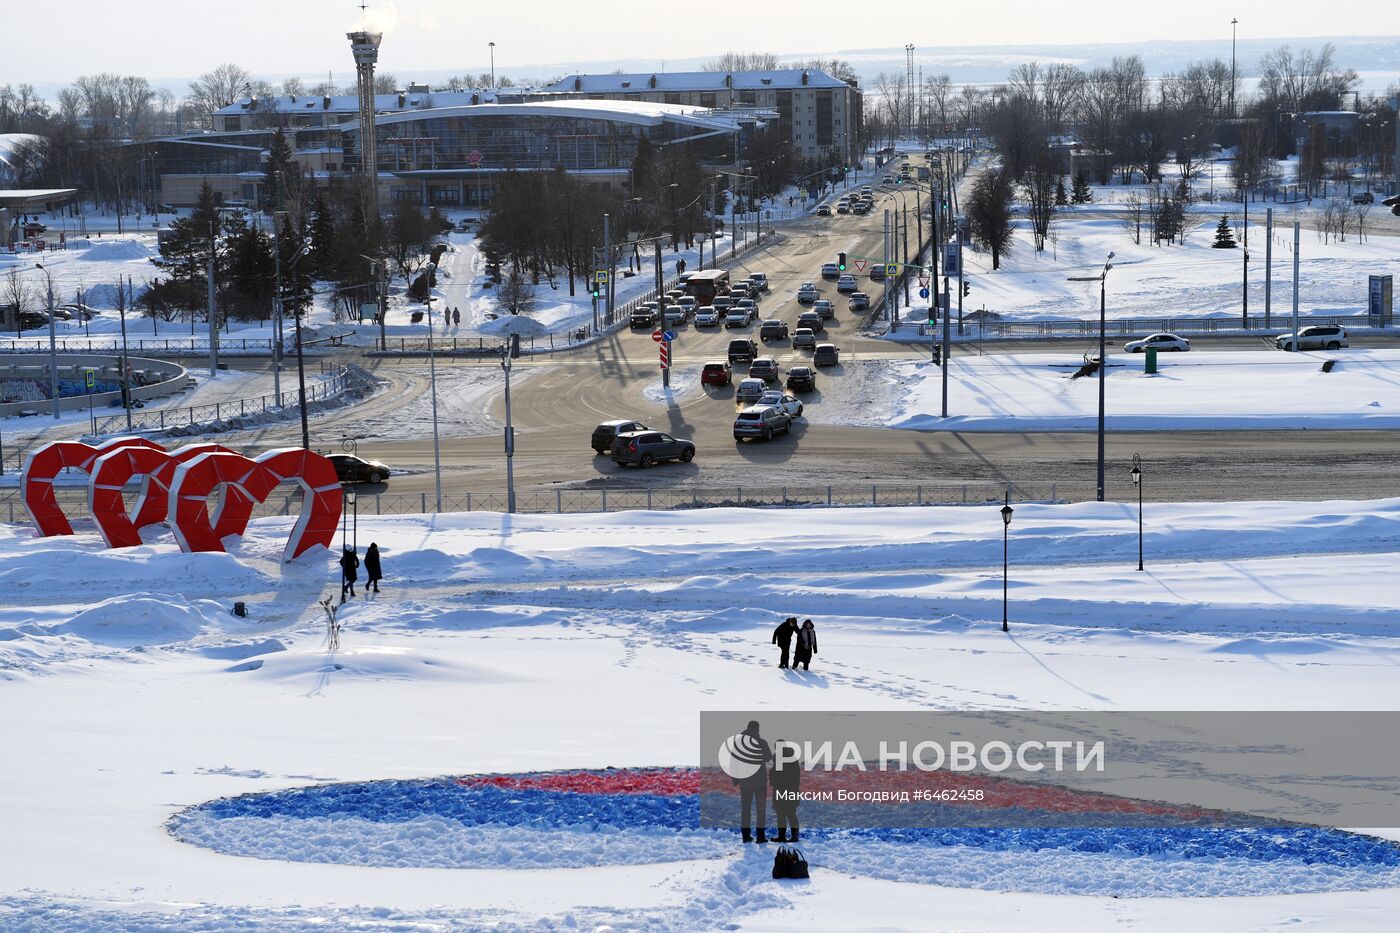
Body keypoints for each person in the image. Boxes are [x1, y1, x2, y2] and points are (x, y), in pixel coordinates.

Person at [733, 720, 773, 843]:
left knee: (745, 810)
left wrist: (736, 780)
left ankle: (746, 836)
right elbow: (768, 757)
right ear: (758, 730)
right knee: (761, 811)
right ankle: (760, 837)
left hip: (745, 782)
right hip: (760, 782)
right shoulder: (761, 742)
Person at [770, 741, 801, 843]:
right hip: (792, 790)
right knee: (791, 814)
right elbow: (797, 777)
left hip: (781, 791)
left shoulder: (778, 759)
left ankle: (782, 836)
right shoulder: (793, 759)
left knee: (781, 815)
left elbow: (775, 776)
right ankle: (794, 836)